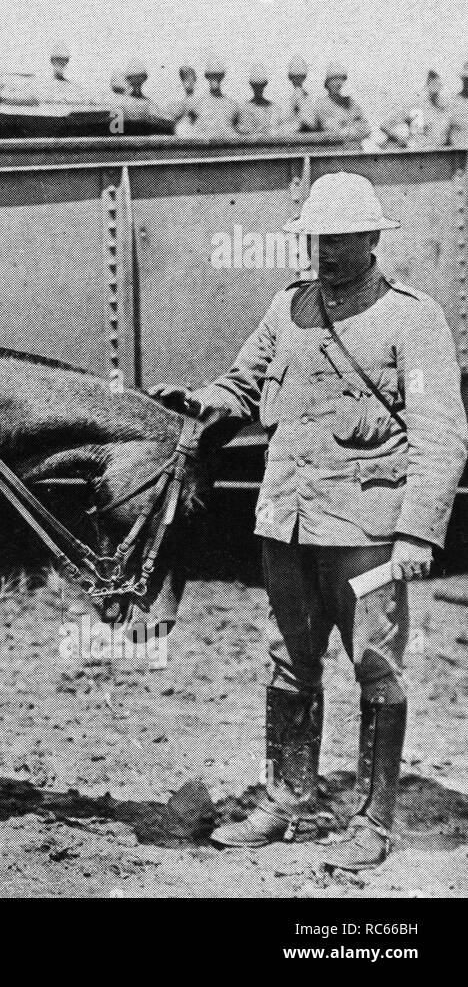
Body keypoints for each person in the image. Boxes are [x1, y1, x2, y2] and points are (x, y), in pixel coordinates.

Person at [151, 173, 467, 871]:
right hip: (288, 520)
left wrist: (418, 530)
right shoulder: (288, 306)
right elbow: (241, 383)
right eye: (318, 238)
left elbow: (441, 432)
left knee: (376, 666)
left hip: (368, 530)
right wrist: (201, 401)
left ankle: (374, 820)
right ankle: (284, 798)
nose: (326, 251)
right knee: (287, 661)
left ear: (373, 238)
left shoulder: (413, 320)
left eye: (341, 238)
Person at [379, 70, 468, 149]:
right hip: (419, 156)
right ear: (426, 86)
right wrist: (402, 140)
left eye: (439, 85)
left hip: (440, 156)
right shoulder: (414, 107)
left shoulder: (446, 108)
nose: (436, 89)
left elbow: (452, 134)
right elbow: (385, 125)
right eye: (432, 84)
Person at [314, 62, 370, 141]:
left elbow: (366, 128)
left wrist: (345, 125)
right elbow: (330, 129)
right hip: (334, 148)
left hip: (355, 146)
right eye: (334, 79)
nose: (338, 83)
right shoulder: (321, 104)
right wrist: (349, 125)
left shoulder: (350, 103)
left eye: (341, 79)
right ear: (327, 82)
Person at [188, 59, 241, 137]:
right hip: (203, 148)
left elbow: (238, 130)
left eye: (218, 75)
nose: (214, 78)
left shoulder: (232, 105)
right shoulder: (196, 102)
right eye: (211, 75)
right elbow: (186, 127)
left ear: (222, 77)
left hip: (225, 147)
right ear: (207, 76)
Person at [277, 55, 321, 135]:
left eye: (301, 77)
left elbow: (314, 123)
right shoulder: (284, 99)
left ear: (304, 77)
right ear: (289, 77)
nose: (297, 79)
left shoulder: (311, 98)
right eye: (295, 77)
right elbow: (281, 123)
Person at [235, 64, 278, 136]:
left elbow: (275, 130)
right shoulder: (245, 108)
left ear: (265, 84)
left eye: (260, 85)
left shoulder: (273, 108)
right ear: (251, 85)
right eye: (255, 86)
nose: (258, 89)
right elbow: (243, 130)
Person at [164, 65, 199, 133]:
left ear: (195, 80)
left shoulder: (199, 99)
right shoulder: (177, 99)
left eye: (192, 80)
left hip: (195, 129)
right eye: (186, 80)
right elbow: (172, 117)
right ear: (182, 81)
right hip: (182, 129)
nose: (190, 83)